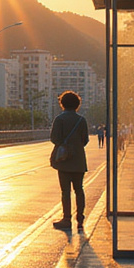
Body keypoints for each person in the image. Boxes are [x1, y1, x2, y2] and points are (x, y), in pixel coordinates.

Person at [50, 90, 90, 232]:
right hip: (79, 160)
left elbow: (54, 139)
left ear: (62, 104)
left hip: (63, 160)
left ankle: (66, 219)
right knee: (79, 189)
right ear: (77, 104)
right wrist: (76, 147)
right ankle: (80, 218)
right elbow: (85, 140)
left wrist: (65, 147)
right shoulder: (81, 120)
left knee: (65, 191)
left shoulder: (59, 119)